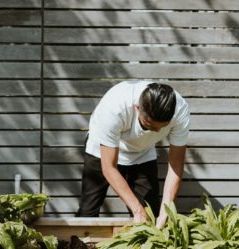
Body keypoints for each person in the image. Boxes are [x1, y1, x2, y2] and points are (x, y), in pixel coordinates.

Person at [76, 80, 190, 228]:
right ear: (137, 108)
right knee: (87, 212)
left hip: (142, 152)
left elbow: (175, 166)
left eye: (161, 128)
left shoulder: (180, 111)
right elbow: (109, 168)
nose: (156, 131)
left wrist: (166, 212)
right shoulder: (114, 107)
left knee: (150, 217)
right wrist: (137, 210)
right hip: (101, 151)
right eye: (149, 125)